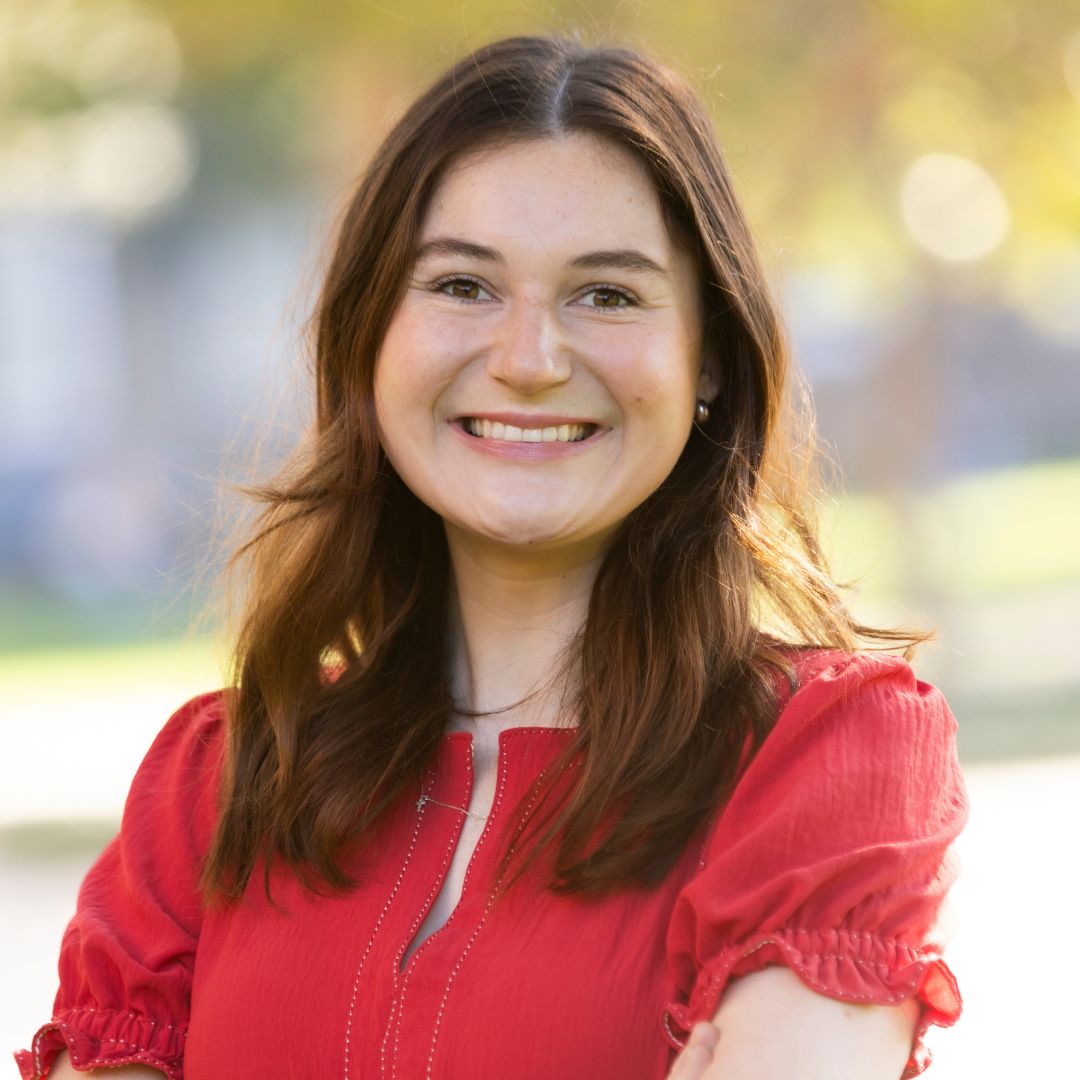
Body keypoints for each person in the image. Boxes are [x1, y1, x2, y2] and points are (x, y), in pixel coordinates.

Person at [16, 34, 969, 1080]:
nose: (528, 360)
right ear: (371, 339)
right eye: (463, 286)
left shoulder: (827, 756)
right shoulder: (223, 781)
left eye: (606, 294)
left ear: (709, 362)